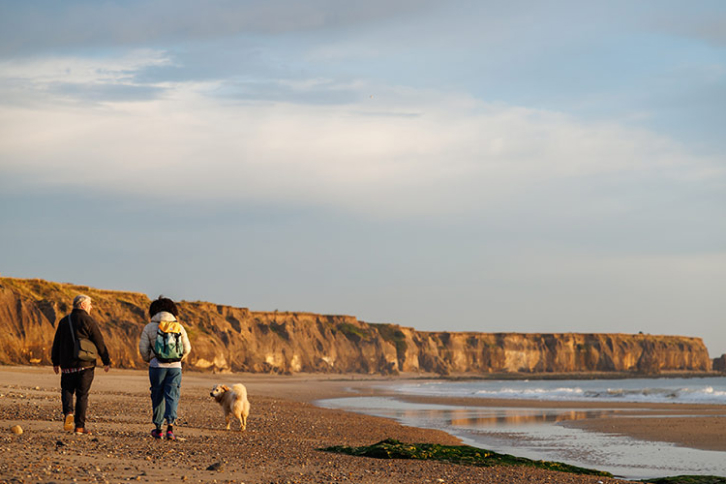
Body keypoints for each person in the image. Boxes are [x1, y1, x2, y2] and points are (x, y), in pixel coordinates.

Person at [51, 294, 111, 435]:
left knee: (67, 390)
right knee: (82, 395)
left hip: (67, 365)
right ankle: (79, 427)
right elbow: (99, 342)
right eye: (90, 304)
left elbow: (57, 342)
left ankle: (68, 413)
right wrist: (106, 360)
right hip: (86, 365)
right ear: (83, 305)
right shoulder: (89, 321)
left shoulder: (64, 321)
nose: (91, 307)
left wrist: (55, 362)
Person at [138, 296, 192, 440]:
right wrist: (178, 359)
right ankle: (170, 428)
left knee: (157, 395)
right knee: (172, 395)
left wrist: (149, 359)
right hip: (175, 367)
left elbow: (143, 349)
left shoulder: (149, 327)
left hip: (157, 367)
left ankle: (158, 429)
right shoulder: (179, 327)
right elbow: (187, 348)